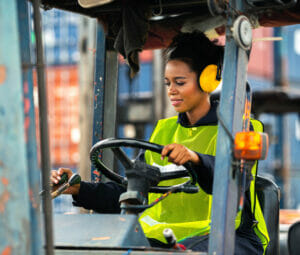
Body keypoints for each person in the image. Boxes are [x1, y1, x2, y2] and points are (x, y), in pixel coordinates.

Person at [51, 31, 269, 254]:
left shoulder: (236, 128)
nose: (172, 90)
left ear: (207, 79)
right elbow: (131, 192)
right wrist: (79, 189)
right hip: (166, 241)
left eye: (180, 82)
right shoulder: (164, 131)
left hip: (229, 237)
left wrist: (196, 159)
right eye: (168, 83)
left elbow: (232, 180)